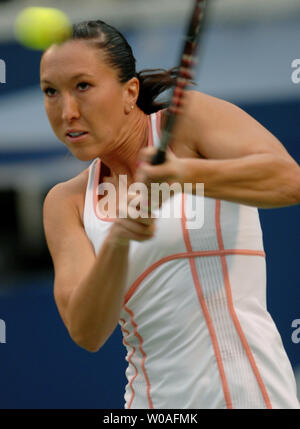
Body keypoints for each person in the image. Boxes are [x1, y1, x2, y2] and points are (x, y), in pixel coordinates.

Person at [41, 20, 300, 409]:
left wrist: (186, 175)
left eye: (83, 86)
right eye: (51, 92)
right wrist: (119, 239)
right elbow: (87, 331)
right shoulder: (66, 202)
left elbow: (289, 180)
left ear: (130, 93)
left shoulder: (189, 122)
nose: (68, 112)